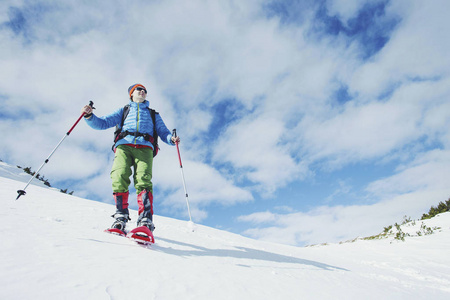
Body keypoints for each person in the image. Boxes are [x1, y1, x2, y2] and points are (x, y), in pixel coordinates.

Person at [81, 83, 180, 232]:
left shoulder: (153, 114)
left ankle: (145, 220)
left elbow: (163, 132)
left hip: (145, 147)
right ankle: (120, 216)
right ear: (131, 94)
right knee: (119, 176)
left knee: (143, 180)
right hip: (124, 146)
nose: (142, 91)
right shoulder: (124, 110)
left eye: (145, 90)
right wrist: (89, 116)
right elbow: (102, 123)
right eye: (138, 90)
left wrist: (171, 140)